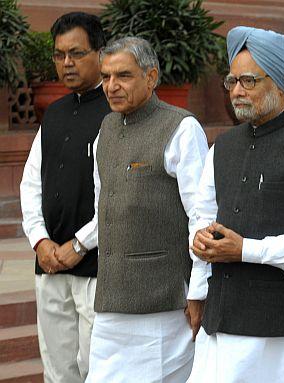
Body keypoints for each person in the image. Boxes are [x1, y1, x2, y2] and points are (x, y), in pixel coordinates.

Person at [186, 26, 284, 382]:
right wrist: (198, 256)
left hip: (283, 334)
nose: (237, 91)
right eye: (232, 81)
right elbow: (201, 216)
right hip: (222, 322)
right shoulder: (221, 148)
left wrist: (246, 250)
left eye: (249, 81)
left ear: (281, 85)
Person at [82, 37, 209, 382]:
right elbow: (103, 211)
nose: (111, 86)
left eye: (123, 76)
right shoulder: (106, 129)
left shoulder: (181, 128)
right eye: (106, 77)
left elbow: (202, 216)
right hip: (110, 303)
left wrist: (200, 289)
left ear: (151, 77)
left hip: (164, 307)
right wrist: (76, 246)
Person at [20, 12, 109, 382]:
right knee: (57, 369)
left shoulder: (116, 112)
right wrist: (40, 240)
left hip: (95, 266)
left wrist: (80, 244)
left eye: (77, 53)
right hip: (51, 263)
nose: (67, 63)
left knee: (95, 367)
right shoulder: (53, 113)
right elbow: (30, 184)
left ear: (100, 54)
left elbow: (119, 195)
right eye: (59, 55)